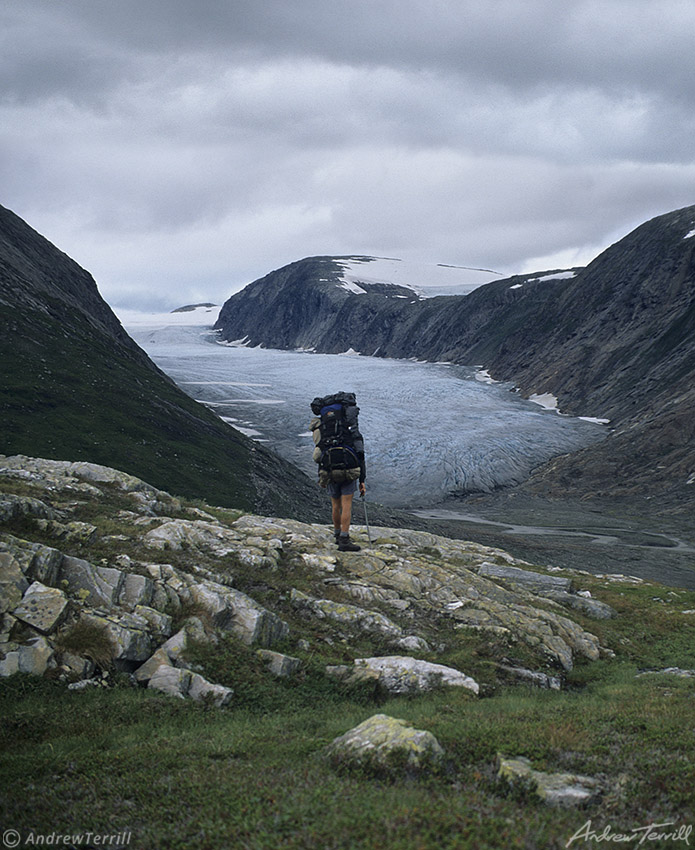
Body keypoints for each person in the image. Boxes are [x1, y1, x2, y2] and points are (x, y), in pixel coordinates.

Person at [310, 392, 366, 552]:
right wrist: (362, 480)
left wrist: (321, 475)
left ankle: (336, 535)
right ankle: (344, 539)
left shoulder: (325, 429)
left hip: (329, 468)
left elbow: (319, 452)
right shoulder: (349, 430)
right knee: (346, 505)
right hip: (348, 468)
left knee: (335, 505)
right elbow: (360, 454)